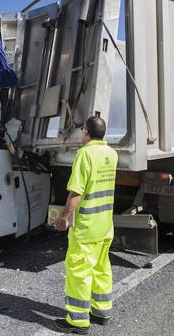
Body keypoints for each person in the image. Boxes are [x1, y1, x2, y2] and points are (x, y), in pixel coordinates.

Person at [53, 116, 118, 334]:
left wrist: (64, 217)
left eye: (83, 131)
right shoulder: (111, 154)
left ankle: (78, 321)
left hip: (87, 226)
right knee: (101, 268)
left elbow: (77, 192)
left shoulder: (85, 154)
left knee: (79, 271)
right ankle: (101, 311)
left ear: (86, 132)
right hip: (105, 225)